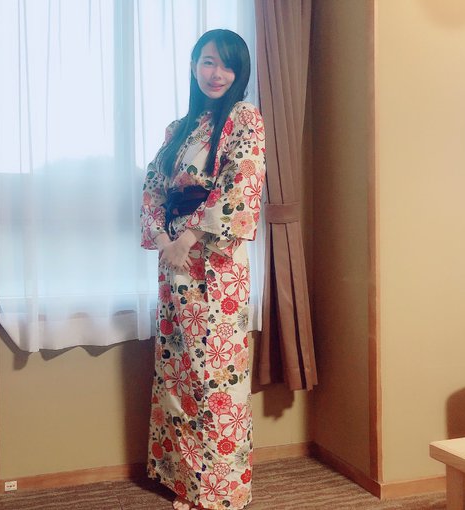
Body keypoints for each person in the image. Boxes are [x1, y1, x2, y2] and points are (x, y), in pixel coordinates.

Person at [140, 29, 266, 510]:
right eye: (209, 62)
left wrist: (189, 239)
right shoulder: (179, 128)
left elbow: (241, 184)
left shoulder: (245, 118)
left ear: (240, 73)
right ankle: (183, 481)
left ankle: (216, 492)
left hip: (215, 264)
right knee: (176, 370)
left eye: (228, 65)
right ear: (194, 65)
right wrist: (165, 241)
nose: (218, 74)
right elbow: (154, 186)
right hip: (173, 260)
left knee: (214, 375)